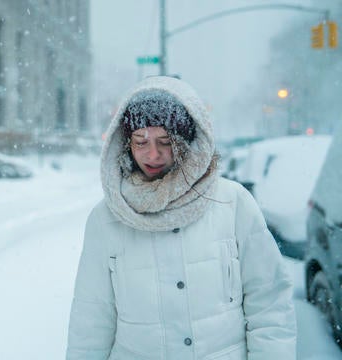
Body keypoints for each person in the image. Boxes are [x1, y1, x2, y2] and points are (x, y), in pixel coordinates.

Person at [66, 76, 296, 359]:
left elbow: (269, 303)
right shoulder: (106, 219)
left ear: (187, 141)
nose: (153, 154)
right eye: (140, 141)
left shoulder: (232, 203)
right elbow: (91, 321)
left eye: (165, 141)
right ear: (126, 144)